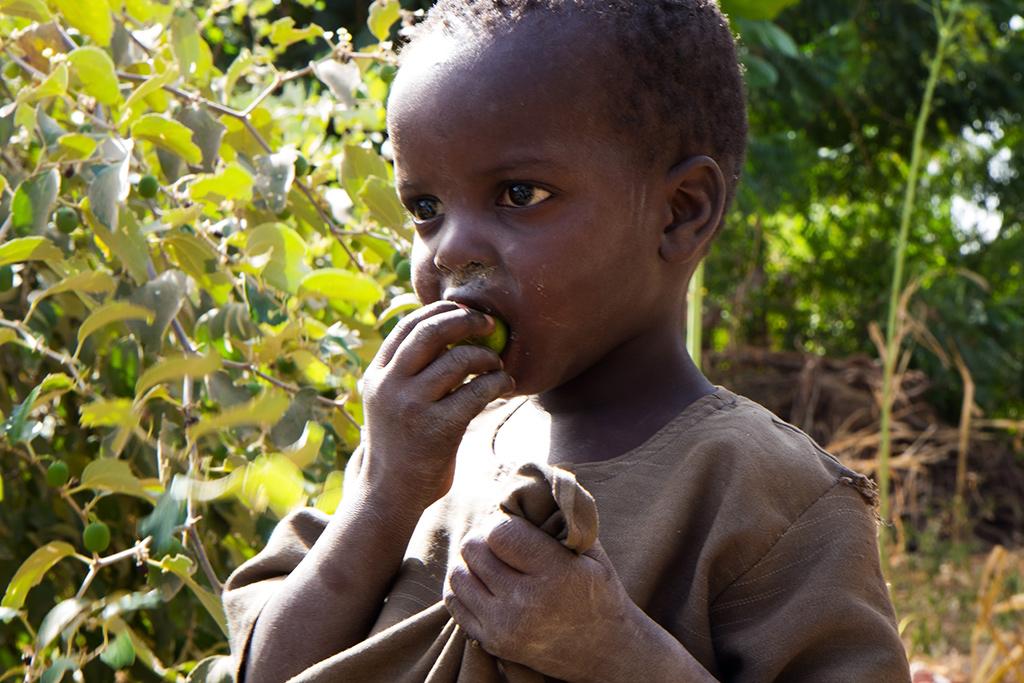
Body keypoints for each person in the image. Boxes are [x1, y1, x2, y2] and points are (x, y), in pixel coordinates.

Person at [222, 1, 912, 681]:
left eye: (520, 193)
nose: (452, 248)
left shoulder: (772, 497)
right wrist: (381, 497)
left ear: (681, 212)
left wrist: (615, 651)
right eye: (425, 209)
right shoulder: (422, 447)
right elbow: (265, 669)